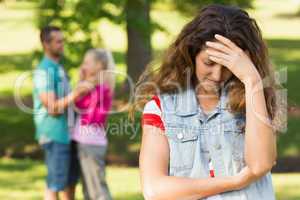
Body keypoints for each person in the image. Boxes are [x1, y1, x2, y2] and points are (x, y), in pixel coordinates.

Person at [132, 4, 278, 200]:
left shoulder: (253, 98)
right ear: (191, 54)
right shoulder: (160, 108)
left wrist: (252, 80)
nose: (217, 75)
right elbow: (154, 189)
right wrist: (235, 181)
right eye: (209, 63)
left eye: (228, 65)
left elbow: (260, 164)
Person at [33, 26, 93, 200]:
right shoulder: (44, 71)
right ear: (46, 44)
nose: (62, 44)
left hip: (68, 134)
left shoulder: (58, 68)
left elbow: (67, 101)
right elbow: (52, 108)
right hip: (53, 135)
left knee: (69, 183)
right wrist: (76, 93)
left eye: (62, 40)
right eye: (58, 41)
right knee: (55, 184)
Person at [71, 48, 115, 200]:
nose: (83, 66)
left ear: (99, 65)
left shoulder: (100, 88)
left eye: (87, 63)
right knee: (89, 190)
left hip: (90, 143)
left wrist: (82, 82)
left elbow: (80, 104)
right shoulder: (94, 86)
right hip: (86, 142)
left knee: (97, 190)